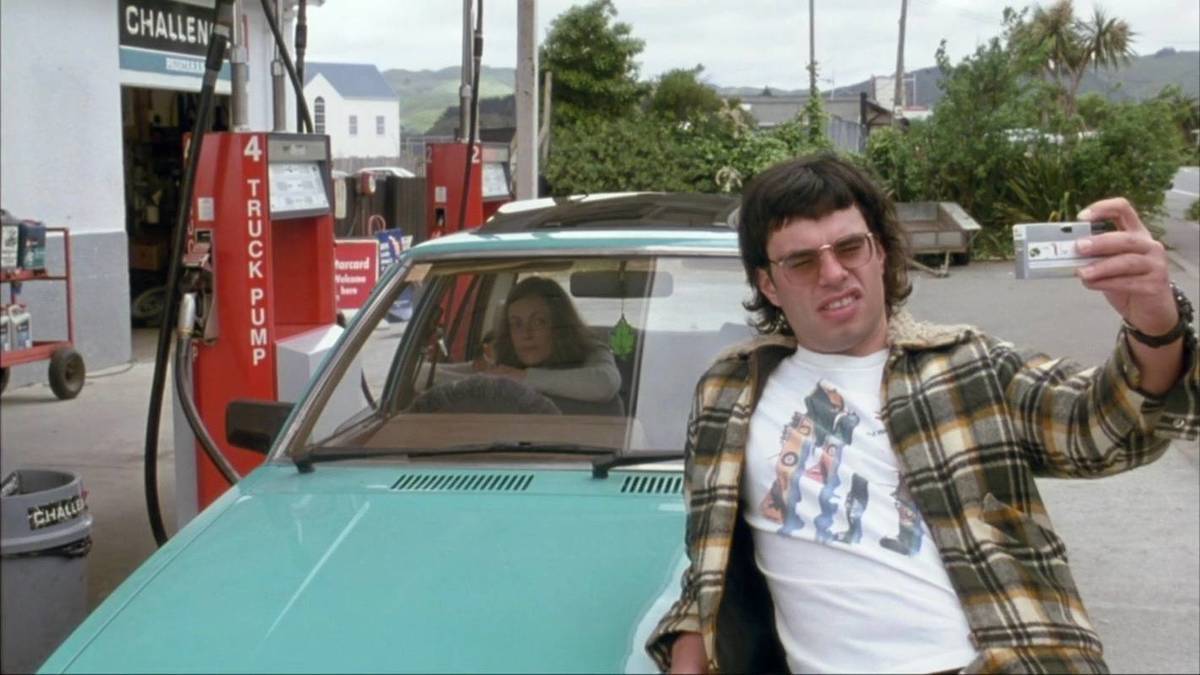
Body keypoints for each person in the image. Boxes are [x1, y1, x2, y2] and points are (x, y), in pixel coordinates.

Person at [646, 153, 1197, 674]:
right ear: (768, 283)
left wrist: (1156, 325)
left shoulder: (969, 365)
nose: (833, 273)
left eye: (850, 248)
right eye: (802, 261)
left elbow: (1105, 431)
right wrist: (690, 648)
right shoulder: (729, 392)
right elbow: (710, 559)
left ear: (881, 253)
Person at [433, 276, 622, 413]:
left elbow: (605, 384)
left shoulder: (591, 351)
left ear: (559, 325)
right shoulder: (504, 357)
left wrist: (521, 378)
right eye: (516, 324)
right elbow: (435, 374)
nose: (526, 334)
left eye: (538, 322)